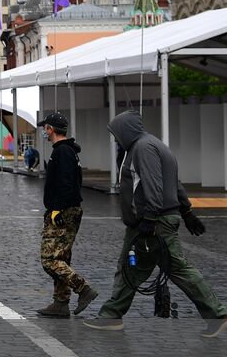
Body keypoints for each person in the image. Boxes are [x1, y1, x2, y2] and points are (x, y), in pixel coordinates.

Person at [86, 110, 227, 336]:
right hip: (154, 220)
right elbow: (174, 183)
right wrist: (187, 210)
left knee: (175, 269)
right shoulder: (155, 145)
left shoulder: (142, 149)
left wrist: (150, 218)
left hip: (153, 221)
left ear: (125, 130)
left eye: (116, 134)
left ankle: (217, 314)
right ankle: (111, 315)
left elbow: (154, 185)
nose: (114, 139)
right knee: (131, 268)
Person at [34, 111, 96, 318]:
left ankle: (83, 288)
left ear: (51, 129)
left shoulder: (62, 152)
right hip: (66, 209)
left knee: (50, 259)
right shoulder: (66, 151)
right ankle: (60, 303)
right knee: (61, 258)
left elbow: (67, 183)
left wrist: (57, 209)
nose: (44, 131)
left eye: (45, 128)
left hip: (63, 211)